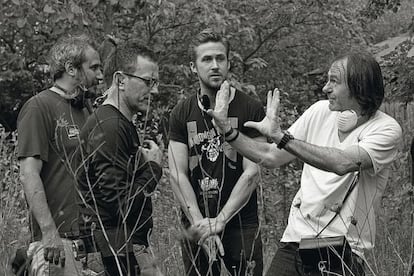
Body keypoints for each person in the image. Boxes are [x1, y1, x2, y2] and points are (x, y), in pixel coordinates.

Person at [206, 52, 403, 275]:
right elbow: (271, 156)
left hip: (343, 247)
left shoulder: (386, 129)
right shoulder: (319, 111)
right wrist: (229, 132)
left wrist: (281, 137)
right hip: (295, 240)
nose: (325, 88)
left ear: (359, 86)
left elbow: (342, 162)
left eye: (334, 81)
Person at [168, 29, 265, 276]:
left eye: (220, 59)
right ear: (193, 66)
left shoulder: (250, 108)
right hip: (197, 220)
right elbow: (176, 173)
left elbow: (252, 172)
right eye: (206, 59)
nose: (214, 66)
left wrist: (220, 220)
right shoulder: (181, 112)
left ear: (229, 63)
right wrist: (201, 224)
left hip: (240, 223)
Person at [75, 40, 163, 276]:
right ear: (121, 80)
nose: (154, 91)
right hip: (113, 253)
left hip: (122, 248)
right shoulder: (110, 127)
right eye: (147, 82)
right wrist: (153, 168)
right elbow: (119, 207)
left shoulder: (115, 123)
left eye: (155, 83)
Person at [17, 34, 103, 275]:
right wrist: (49, 232)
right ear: (71, 69)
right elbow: (28, 175)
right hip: (56, 243)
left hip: (89, 240)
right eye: (94, 67)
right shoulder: (38, 106)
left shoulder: (86, 109)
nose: (100, 75)